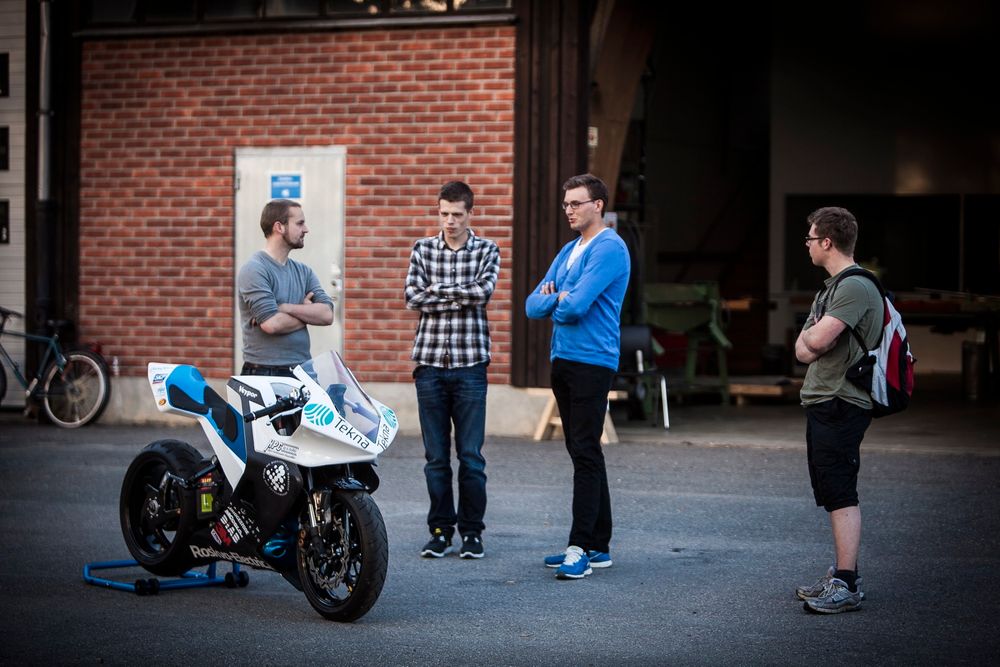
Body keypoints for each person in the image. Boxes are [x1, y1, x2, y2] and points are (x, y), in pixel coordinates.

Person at [525, 173, 631, 580]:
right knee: (582, 450)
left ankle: (579, 546)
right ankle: (598, 546)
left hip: (592, 362)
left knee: (585, 451)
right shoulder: (570, 249)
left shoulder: (609, 248)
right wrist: (559, 297)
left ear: (598, 205)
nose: (568, 209)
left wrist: (561, 298)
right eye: (566, 203)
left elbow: (577, 307)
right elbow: (533, 305)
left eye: (577, 203)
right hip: (563, 358)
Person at [793, 206, 883, 613]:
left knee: (841, 489)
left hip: (842, 401)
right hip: (825, 399)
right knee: (831, 489)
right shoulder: (830, 288)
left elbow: (818, 340)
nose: (807, 246)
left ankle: (846, 583)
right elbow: (802, 349)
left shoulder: (854, 288)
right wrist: (811, 340)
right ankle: (840, 576)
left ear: (826, 242)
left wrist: (812, 337)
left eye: (810, 239)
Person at [404, 181, 500, 559]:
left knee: (472, 458)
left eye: (457, 214)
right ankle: (440, 530)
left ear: (470, 213)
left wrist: (437, 291)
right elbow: (412, 296)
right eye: (444, 213)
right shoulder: (422, 248)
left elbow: (484, 293)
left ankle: (472, 533)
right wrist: (459, 291)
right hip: (429, 365)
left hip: (471, 365)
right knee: (436, 459)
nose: (449, 221)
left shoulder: (487, 249)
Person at [237, 199, 334, 378]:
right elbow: (272, 325)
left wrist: (284, 307)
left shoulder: (304, 272)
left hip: (304, 370)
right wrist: (307, 312)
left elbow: (327, 315)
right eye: (299, 223)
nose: (306, 229)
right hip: (265, 373)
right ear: (279, 227)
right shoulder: (255, 269)